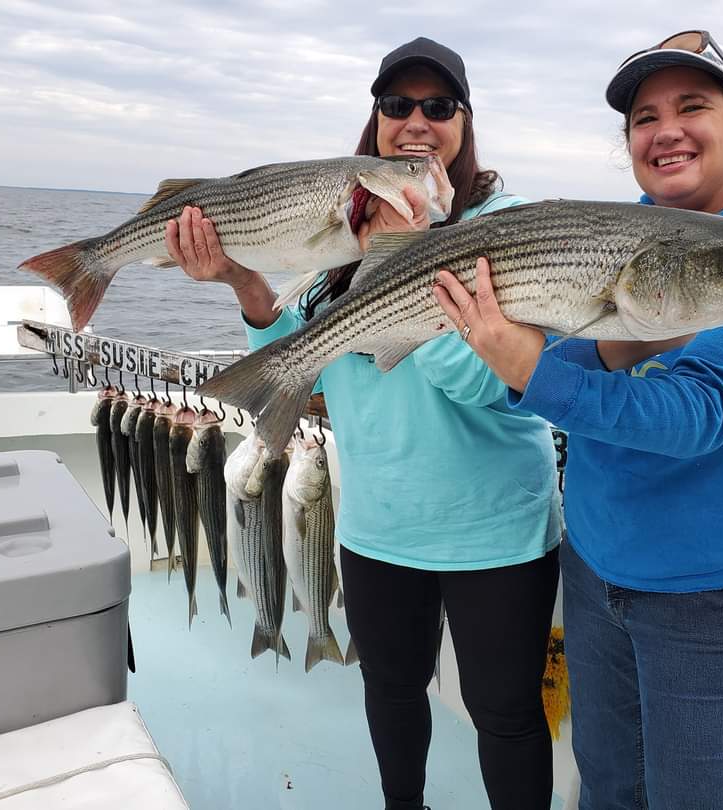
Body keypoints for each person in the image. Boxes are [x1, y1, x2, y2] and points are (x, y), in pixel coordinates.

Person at [433, 29, 723, 810]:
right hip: (593, 562)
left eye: (693, 105)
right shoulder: (624, 238)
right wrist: (523, 361)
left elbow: (698, 413)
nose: (665, 129)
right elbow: (587, 365)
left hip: (713, 594)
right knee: (607, 789)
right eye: (642, 117)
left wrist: (528, 371)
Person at [165, 37, 562, 810]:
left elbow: (493, 382)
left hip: (496, 532)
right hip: (378, 525)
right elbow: (296, 362)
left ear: (465, 122)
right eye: (396, 106)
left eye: (438, 107)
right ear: (375, 123)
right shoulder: (342, 234)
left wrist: (403, 258)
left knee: (506, 715)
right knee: (391, 692)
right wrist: (244, 279)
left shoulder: (509, 225)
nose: (416, 122)